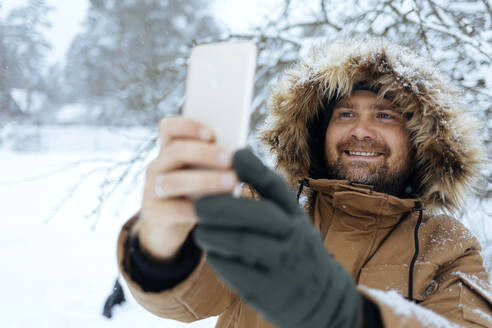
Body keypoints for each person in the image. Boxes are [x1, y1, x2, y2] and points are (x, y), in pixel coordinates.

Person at [116, 38, 492, 327]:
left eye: (384, 115)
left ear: (418, 138)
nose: (361, 130)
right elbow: (189, 297)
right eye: (345, 113)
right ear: (318, 130)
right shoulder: (262, 208)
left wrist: (346, 313)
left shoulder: (449, 248)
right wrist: (161, 248)